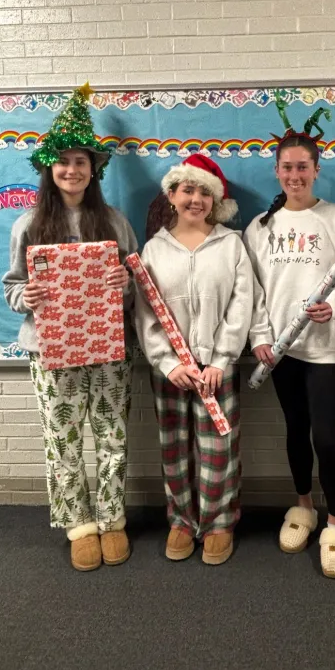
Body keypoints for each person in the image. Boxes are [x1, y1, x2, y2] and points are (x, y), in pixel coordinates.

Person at [2, 83, 138, 572]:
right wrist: (28, 297)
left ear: (93, 169)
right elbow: (13, 287)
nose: (71, 169)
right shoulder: (28, 224)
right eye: (62, 161)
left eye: (80, 161)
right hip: (50, 349)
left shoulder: (115, 222)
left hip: (107, 348)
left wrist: (123, 283)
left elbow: (132, 289)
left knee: (111, 435)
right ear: (48, 168)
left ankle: (111, 518)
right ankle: (79, 524)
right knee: (62, 438)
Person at [243, 106, 335, 580]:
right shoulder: (259, 227)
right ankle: (303, 507)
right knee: (295, 431)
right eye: (287, 167)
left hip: (325, 349)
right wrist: (259, 337)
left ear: (317, 170)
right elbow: (249, 290)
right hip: (278, 349)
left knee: (325, 437)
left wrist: (333, 308)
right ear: (276, 171)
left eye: (303, 167)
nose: (295, 174)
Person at [136, 154, 252, 566]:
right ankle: (182, 519)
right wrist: (168, 363)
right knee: (174, 446)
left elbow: (242, 304)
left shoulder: (231, 243)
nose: (196, 199)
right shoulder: (153, 249)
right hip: (172, 371)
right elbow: (145, 313)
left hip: (216, 368)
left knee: (218, 446)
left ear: (216, 199)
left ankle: (219, 521)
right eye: (188, 189)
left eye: (206, 191)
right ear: (172, 195)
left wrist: (222, 358)